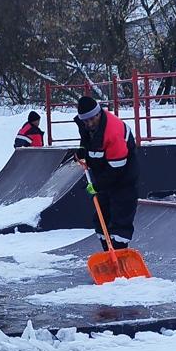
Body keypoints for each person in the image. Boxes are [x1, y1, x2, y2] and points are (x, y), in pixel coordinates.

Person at [73, 94, 139, 244]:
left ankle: (119, 256)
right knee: (101, 220)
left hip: (123, 178)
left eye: (92, 119)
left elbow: (117, 170)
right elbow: (86, 140)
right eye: (86, 120)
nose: (89, 123)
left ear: (99, 113)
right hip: (103, 174)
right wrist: (82, 152)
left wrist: (96, 186)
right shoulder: (86, 125)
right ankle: (108, 256)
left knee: (120, 222)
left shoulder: (113, 132)